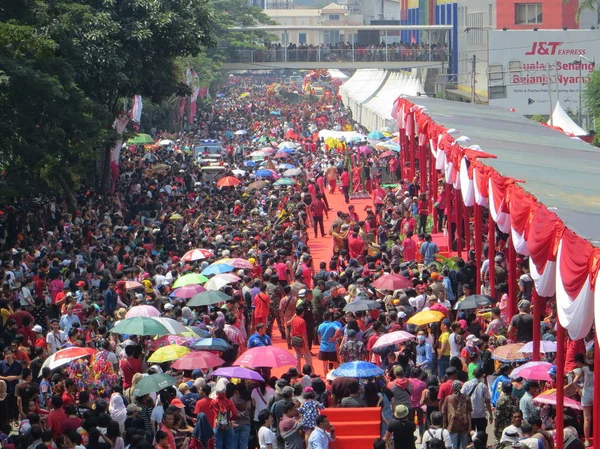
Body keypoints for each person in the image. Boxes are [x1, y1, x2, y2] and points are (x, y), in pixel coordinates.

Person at [570, 353, 593, 446]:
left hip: (586, 394)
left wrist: (578, 389)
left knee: (587, 418)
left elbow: (574, 382)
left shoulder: (583, 369)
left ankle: (587, 440)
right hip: (596, 393)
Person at [460, 367, 492, 433]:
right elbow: (487, 401)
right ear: (482, 376)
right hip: (481, 415)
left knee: (470, 436)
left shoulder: (466, 384)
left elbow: (461, 398)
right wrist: (490, 414)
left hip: (469, 415)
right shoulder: (483, 386)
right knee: (481, 435)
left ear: (473, 375)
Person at [441, 381, 471, 449]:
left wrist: (444, 424)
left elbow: (444, 413)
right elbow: (469, 413)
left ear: (453, 388)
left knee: (453, 445)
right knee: (464, 446)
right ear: (461, 387)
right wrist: (470, 425)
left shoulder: (448, 398)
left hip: (452, 426)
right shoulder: (466, 398)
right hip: (464, 425)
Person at [287, 306, 312, 371]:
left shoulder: (293, 320)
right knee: (308, 357)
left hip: (295, 340)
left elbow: (291, 330)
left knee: (297, 356)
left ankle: (297, 371)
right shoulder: (302, 321)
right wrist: (306, 343)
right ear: (302, 312)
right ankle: (310, 372)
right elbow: (304, 333)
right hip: (301, 341)